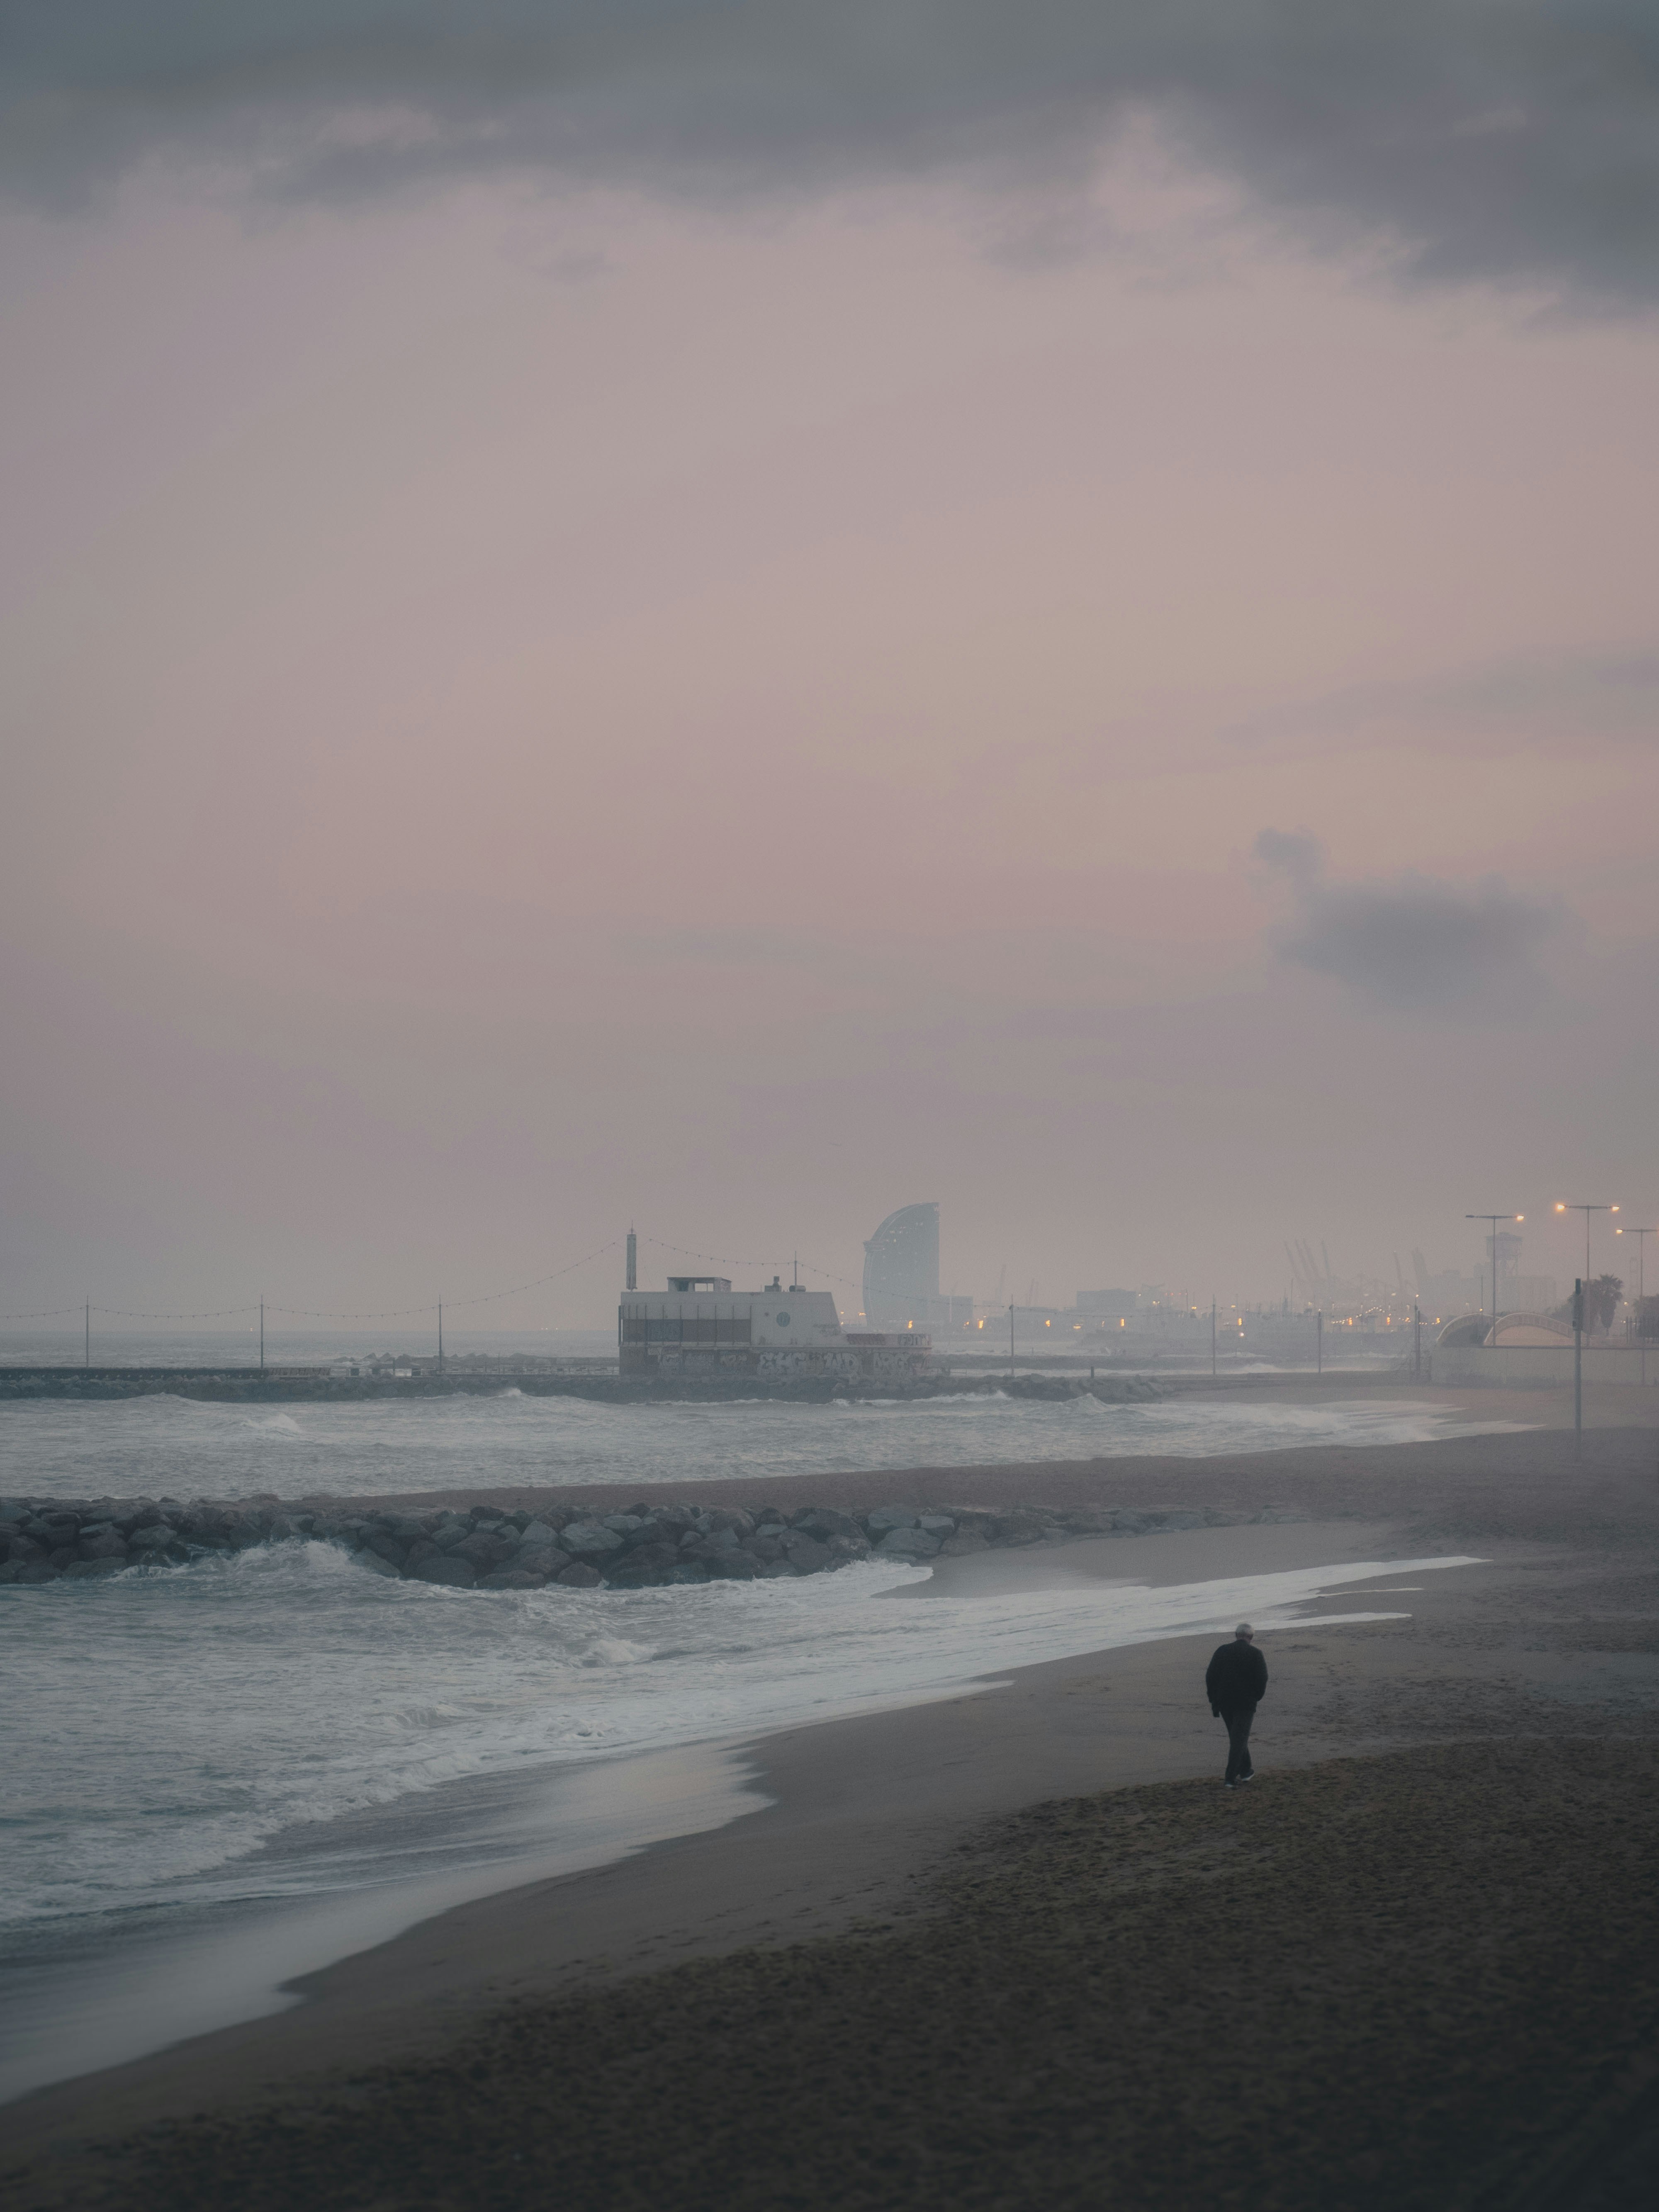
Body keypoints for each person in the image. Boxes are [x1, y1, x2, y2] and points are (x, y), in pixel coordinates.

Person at [1206, 1622, 1267, 1787]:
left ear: (1236, 1635)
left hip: (1225, 1702)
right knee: (1239, 1739)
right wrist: (1256, 1697)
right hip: (1245, 1703)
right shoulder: (1256, 1654)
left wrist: (1214, 1700)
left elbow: (1210, 1677)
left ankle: (1246, 1771)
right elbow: (1262, 1680)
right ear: (1251, 1638)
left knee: (1237, 1737)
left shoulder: (1221, 1651)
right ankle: (1230, 1779)